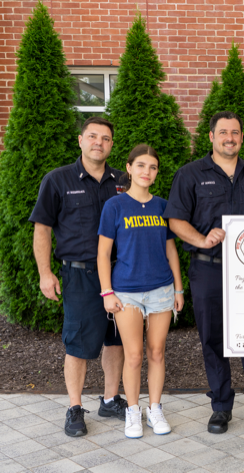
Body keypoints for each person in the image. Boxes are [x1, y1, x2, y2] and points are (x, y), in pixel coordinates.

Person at [164, 111, 244, 435]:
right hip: (208, 269)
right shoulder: (190, 174)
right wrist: (202, 240)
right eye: (223, 132)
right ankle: (221, 407)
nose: (229, 138)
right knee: (213, 339)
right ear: (211, 137)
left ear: (242, 137)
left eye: (235, 132)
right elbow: (176, 220)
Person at [30, 117, 127, 437]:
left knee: (117, 340)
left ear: (112, 145)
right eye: (93, 136)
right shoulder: (58, 180)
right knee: (78, 345)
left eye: (106, 138)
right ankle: (74, 407)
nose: (99, 142)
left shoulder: (123, 181)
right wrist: (45, 273)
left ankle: (111, 399)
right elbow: (42, 228)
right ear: (80, 140)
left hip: (122, 275)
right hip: (81, 276)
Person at [97, 144, 184, 438]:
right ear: (129, 168)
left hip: (161, 289)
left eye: (153, 167)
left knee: (157, 352)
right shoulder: (115, 206)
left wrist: (179, 288)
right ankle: (133, 411)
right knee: (133, 355)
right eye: (142, 165)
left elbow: (171, 249)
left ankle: (155, 409)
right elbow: (103, 253)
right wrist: (107, 292)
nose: (147, 172)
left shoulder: (162, 206)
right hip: (127, 293)